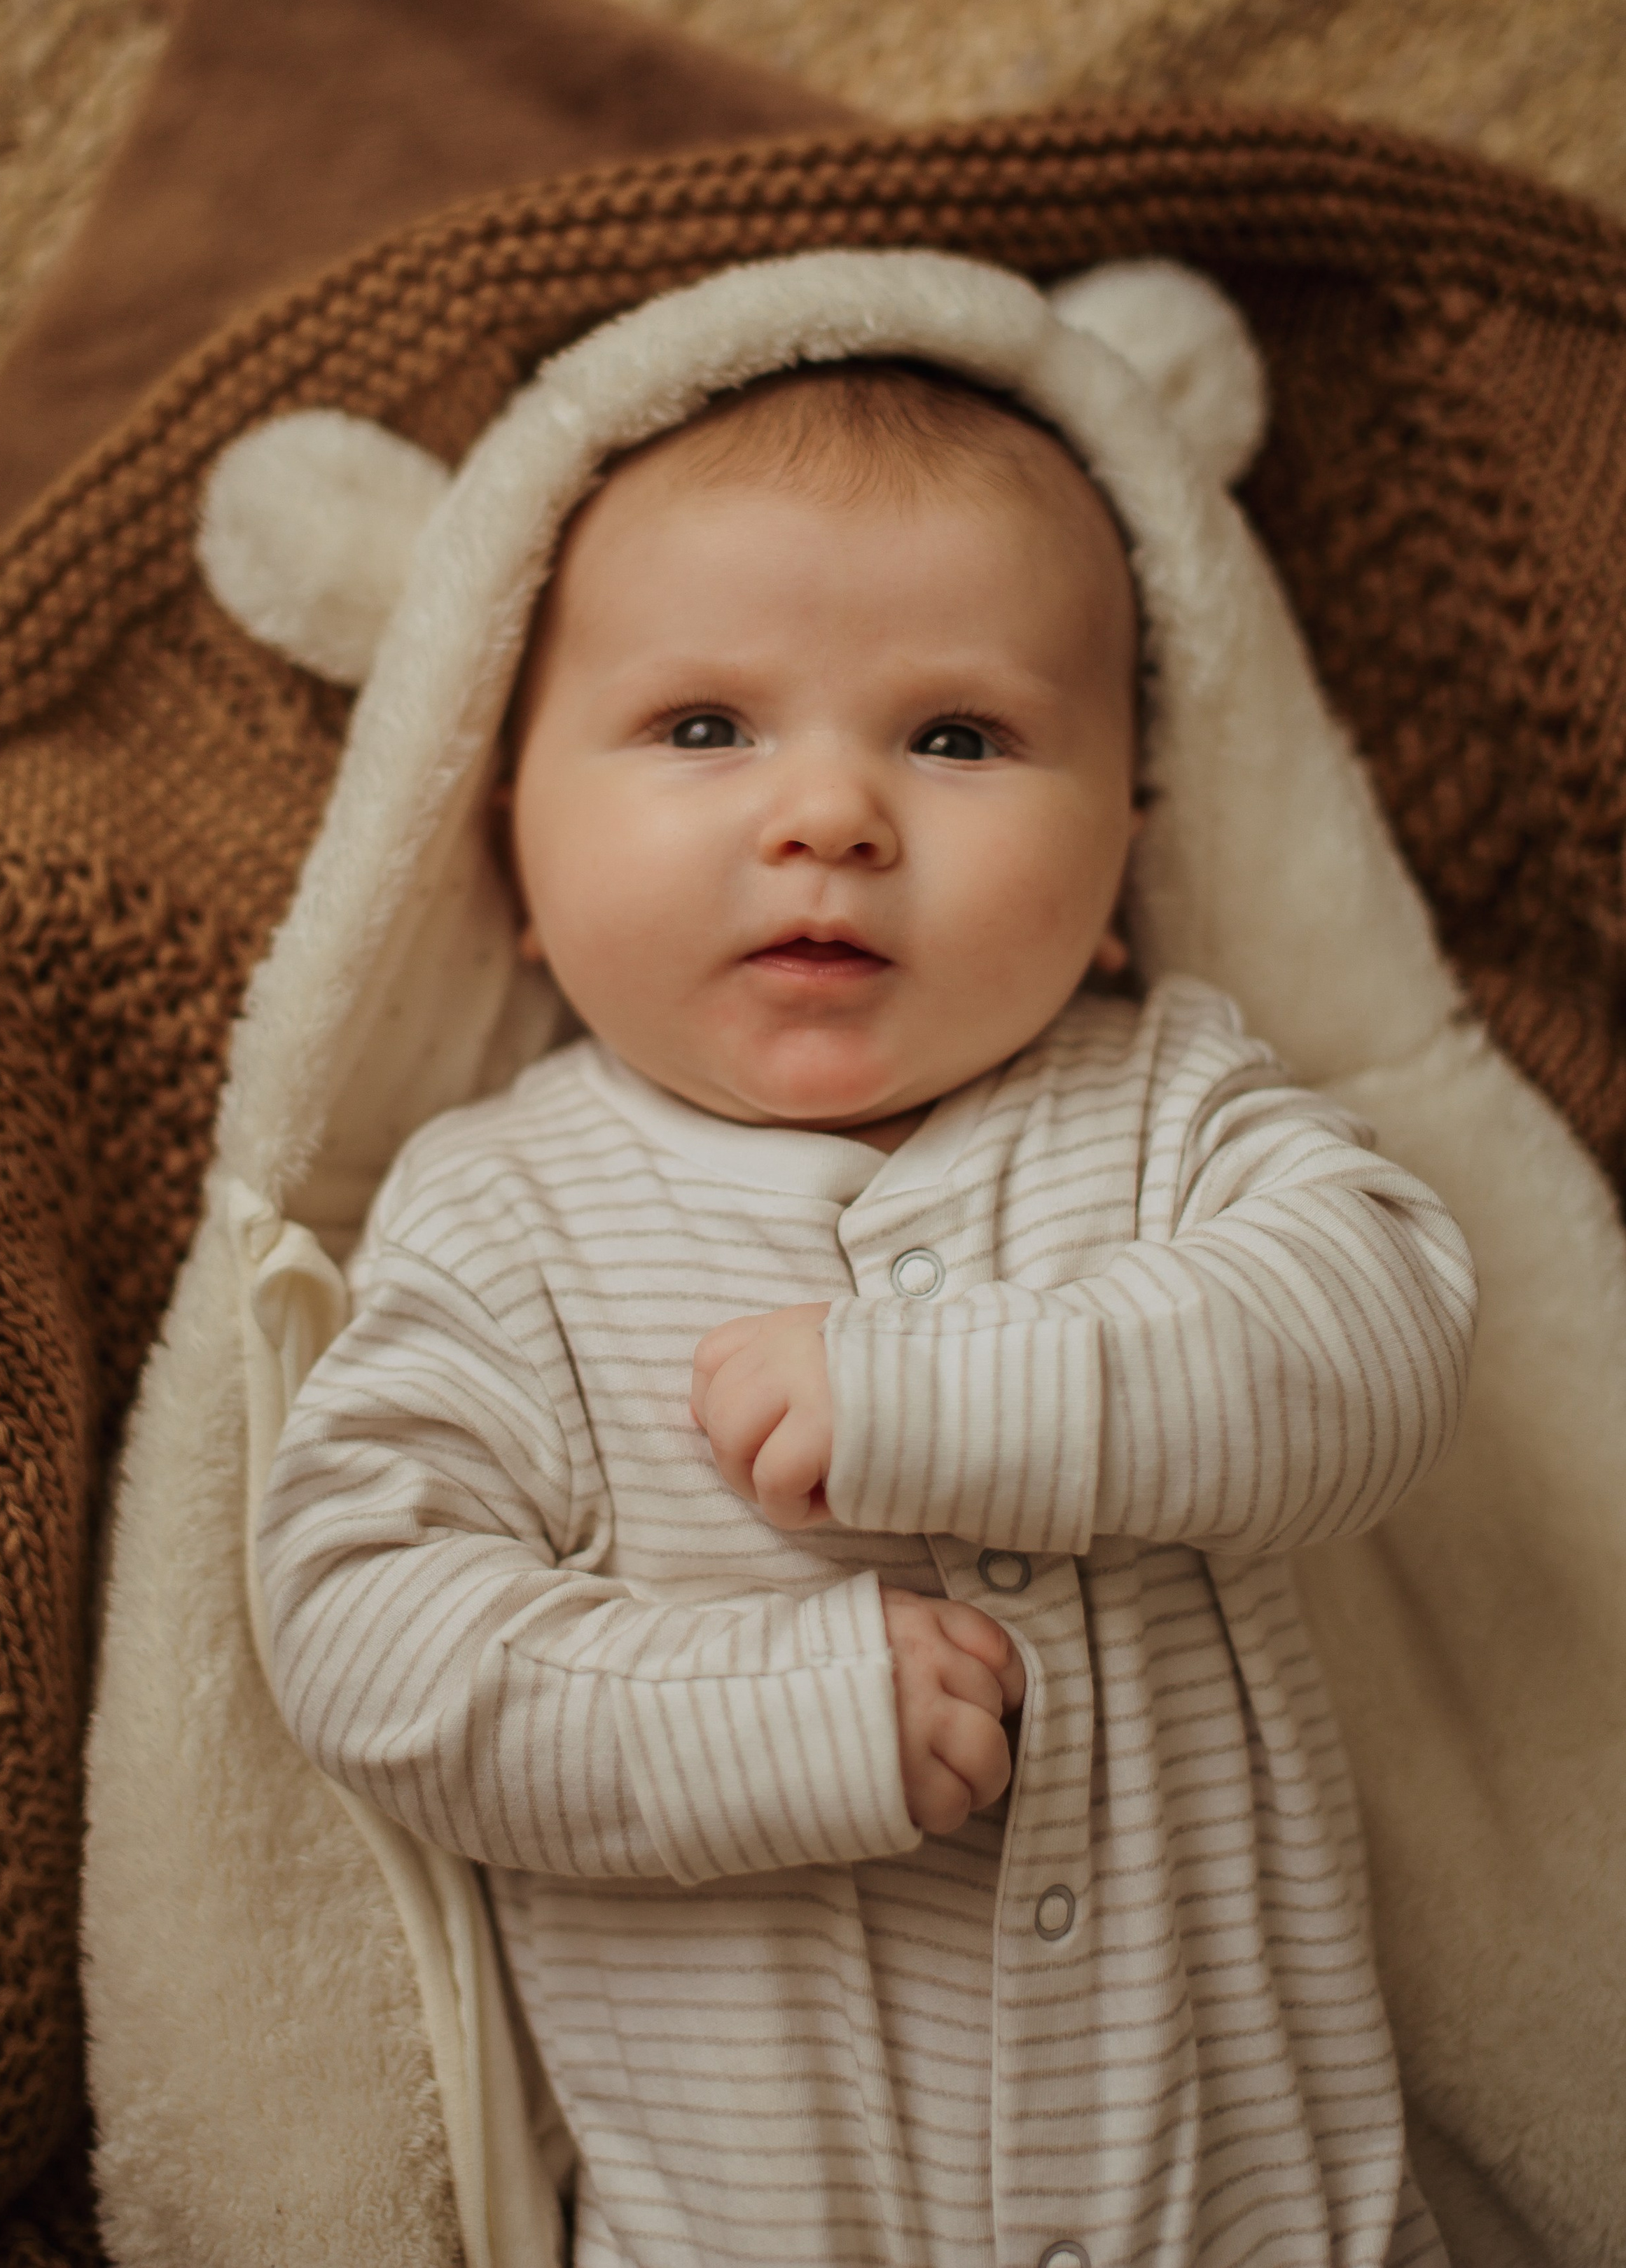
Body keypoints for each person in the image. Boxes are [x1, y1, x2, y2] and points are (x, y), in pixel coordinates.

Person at [257, 355, 1475, 2268]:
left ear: (1117, 870)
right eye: (705, 721)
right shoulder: (508, 1207)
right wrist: (778, 1712)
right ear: (510, 853)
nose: (830, 810)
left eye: (964, 739)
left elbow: (1385, 1327)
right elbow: (358, 1624)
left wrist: (958, 1389)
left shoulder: (1165, 1106)